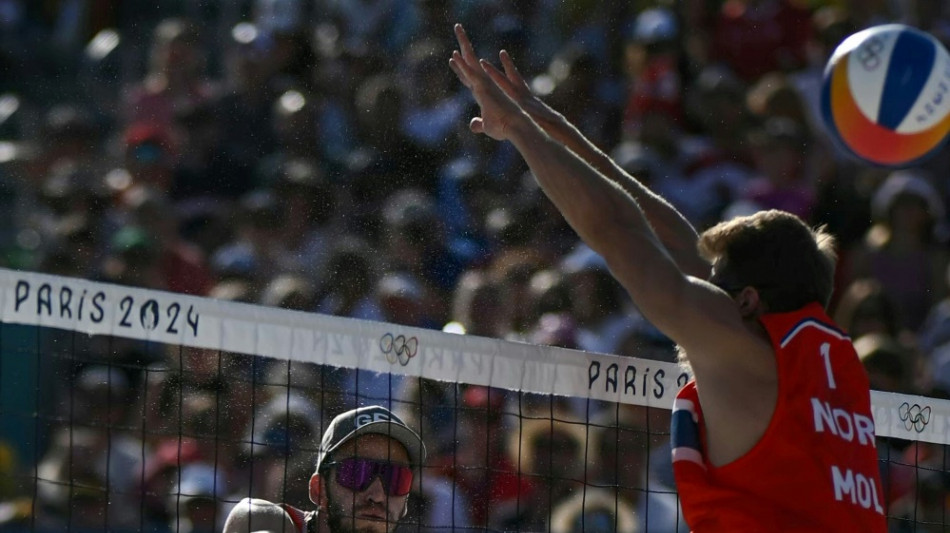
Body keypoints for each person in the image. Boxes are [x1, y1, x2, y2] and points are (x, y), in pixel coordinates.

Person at [449, 23, 885, 532]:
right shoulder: (828, 355)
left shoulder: (744, 349)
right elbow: (677, 239)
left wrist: (520, 132)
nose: (702, 283)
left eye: (715, 284)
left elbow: (616, 229)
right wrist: (550, 123)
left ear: (745, 301)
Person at [222, 405, 426, 533]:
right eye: (357, 472)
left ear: (406, 504)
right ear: (318, 489)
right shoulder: (268, 521)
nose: (377, 495)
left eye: (396, 478)